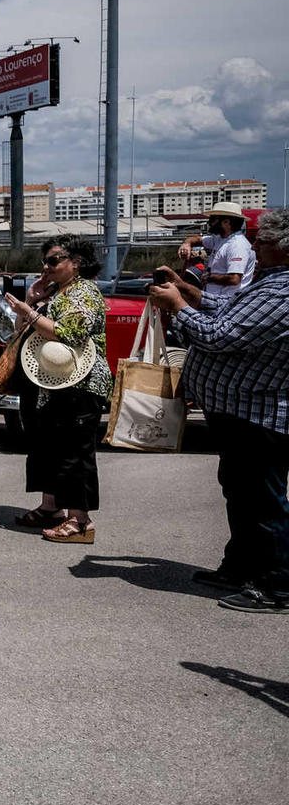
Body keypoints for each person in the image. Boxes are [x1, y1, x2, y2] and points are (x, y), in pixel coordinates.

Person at [151, 207, 289, 612]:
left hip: (258, 416)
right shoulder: (269, 284)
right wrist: (187, 290)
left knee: (264, 501)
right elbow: (225, 310)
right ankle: (242, 567)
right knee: (240, 492)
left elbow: (217, 334)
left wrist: (178, 304)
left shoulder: (282, 293)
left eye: (264, 243)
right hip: (239, 412)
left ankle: (279, 585)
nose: (255, 248)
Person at [3, 237, 112, 541]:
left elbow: (71, 334)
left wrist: (32, 311)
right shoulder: (55, 293)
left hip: (80, 384)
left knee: (74, 451)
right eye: (45, 261)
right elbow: (20, 332)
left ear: (76, 262)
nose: (45, 267)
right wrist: (31, 302)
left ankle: (81, 521)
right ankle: (51, 507)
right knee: (46, 447)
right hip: (50, 384)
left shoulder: (84, 292)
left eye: (53, 260)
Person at [178, 201, 255, 303]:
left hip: (226, 303)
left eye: (213, 219)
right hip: (216, 300)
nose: (209, 223)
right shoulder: (220, 239)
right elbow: (197, 239)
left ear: (226, 222)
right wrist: (187, 244)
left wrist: (209, 277)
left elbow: (234, 279)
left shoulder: (237, 245)